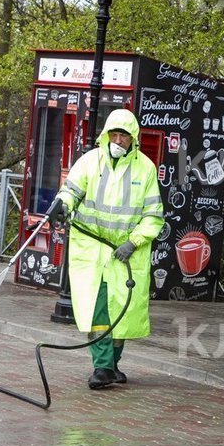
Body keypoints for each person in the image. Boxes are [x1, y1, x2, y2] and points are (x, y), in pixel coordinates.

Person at [47, 108, 164, 389]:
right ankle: (102, 367)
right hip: (92, 250)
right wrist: (62, 204)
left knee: (121, 313)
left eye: (124, 135)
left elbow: (153, 215)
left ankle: (112, 364)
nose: (119, 139)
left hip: (125, 254)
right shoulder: (90, 162)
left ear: (132, 138)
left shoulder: (145, 169)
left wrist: (133, 241)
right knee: (98, 310)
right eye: (115, 133)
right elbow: (71, 190)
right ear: (106, 134)